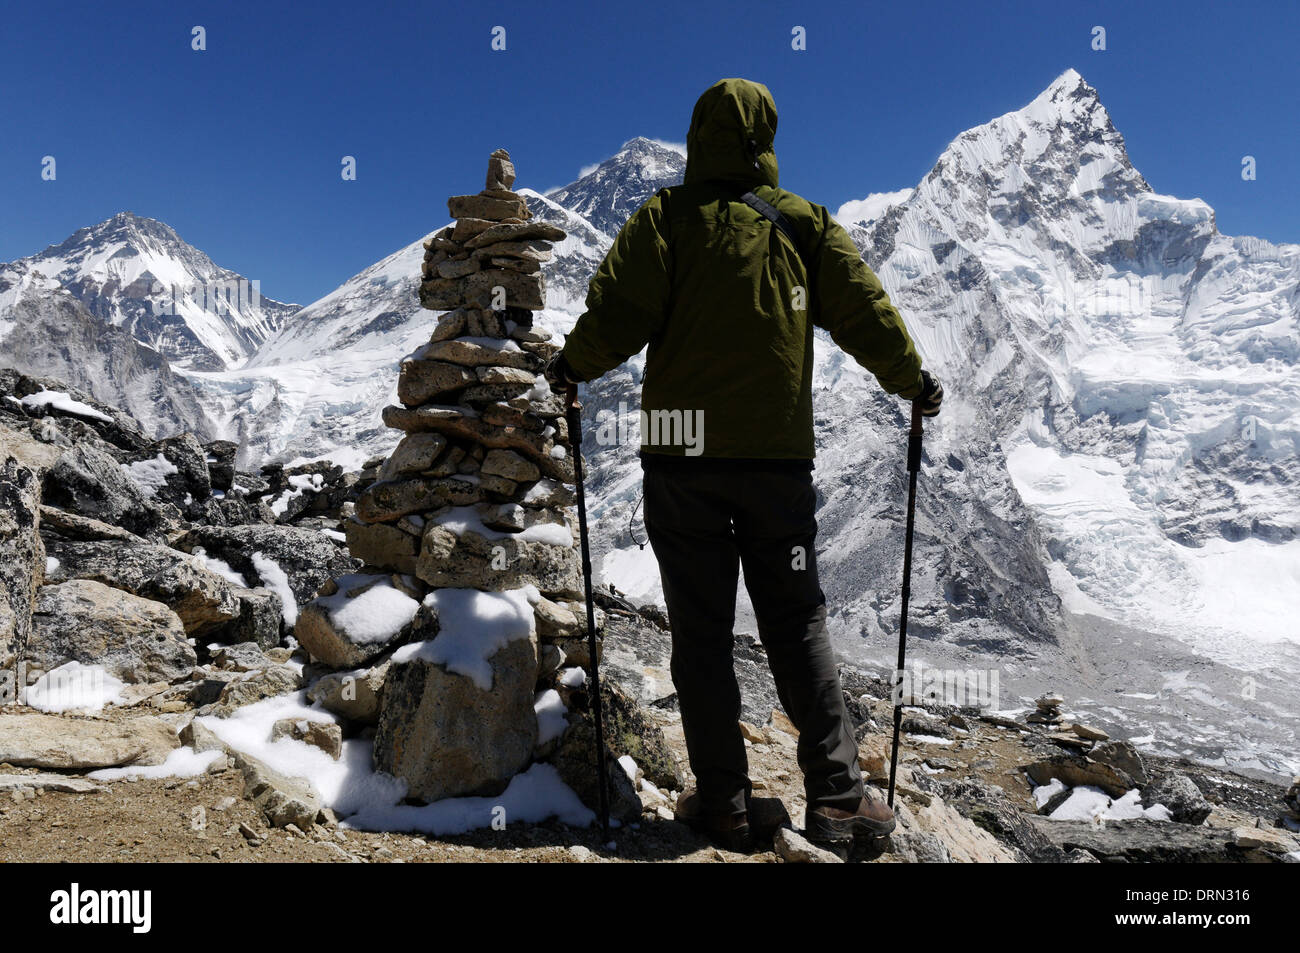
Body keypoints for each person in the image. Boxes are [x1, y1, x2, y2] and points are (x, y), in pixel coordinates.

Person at [544, 77, 943, 852]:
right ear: (767, 137)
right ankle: (835, 798)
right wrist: (915, 384)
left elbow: (618, 314)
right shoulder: (802, 226)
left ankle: (724, 803)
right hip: (775, 463)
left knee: (699, 632)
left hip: (679, 453)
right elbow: (866, 313)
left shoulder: (665, 219)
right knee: (796, 623)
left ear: (697, 135)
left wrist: (571, 368)